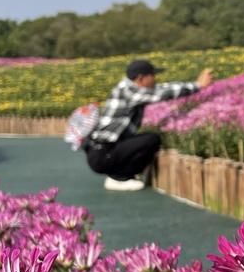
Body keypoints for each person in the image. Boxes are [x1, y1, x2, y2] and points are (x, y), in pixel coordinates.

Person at [84, 59, 213, 190]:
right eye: (152, 76)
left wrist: (195, 84)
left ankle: (118, 175)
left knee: (148, 138)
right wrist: (198, 85)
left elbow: (162, 88)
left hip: (105, 151)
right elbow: (161, 94)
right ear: (141, 78)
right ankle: (119, 178)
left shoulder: (130, 87)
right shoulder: (130, 92)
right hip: (102, 154)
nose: (155, 79)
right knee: (151, 140)